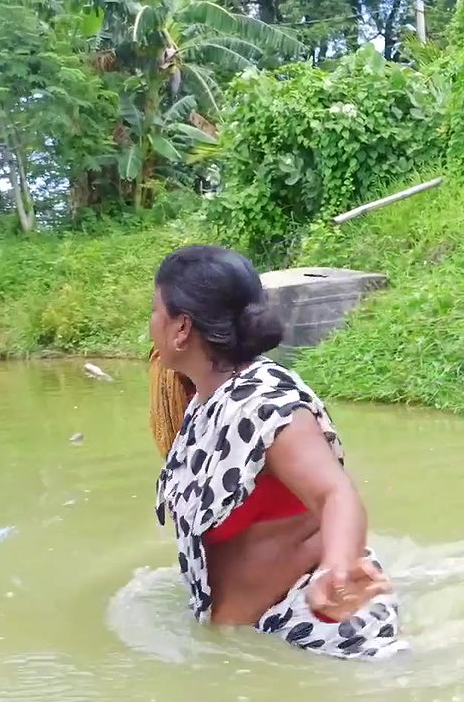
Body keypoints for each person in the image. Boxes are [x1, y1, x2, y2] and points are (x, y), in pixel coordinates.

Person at [148, 244, 407, 660]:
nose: (151, 325)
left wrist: (338, 570)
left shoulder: (268, 404)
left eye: (155, 311)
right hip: (253, 644)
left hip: (321, 634)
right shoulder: (207, 400)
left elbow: (334, 494)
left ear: (180, 329)